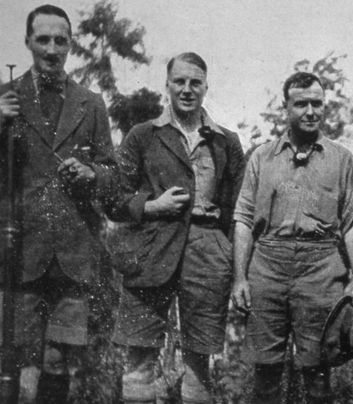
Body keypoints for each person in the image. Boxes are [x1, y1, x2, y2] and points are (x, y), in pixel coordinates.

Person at [108, 52, 245, 404]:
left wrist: (228, 256)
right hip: (151, 249)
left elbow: (238, 208)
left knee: (199, 364)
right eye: (180, 82)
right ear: (167, 85)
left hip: (207, 252)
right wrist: (153, 206)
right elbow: (113, 200)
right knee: (139, 360)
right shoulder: (143, 136)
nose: (187, 89)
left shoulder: (225, 141)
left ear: (205, 87)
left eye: (195, 83)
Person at [0, 4, 117, 403]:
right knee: (19, 360)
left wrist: (92, 175)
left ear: (70, 45)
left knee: (57, 360)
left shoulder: (91, 103)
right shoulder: (5, 99)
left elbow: (113, 175)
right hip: (21, 249)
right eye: (43, 39)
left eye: (60, 41)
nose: (52, 49)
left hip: (72, 250)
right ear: (28, 42)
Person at [231, 71, 353, 404]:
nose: (311, 111)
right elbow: (243, 220)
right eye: (302, 104)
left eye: (317, 104)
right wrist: (239, 278)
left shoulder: (342, 160)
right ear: (286, 108)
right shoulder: (262, 158)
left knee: (318, 373)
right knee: (265, 374)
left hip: (320, 268)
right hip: (268, 266)